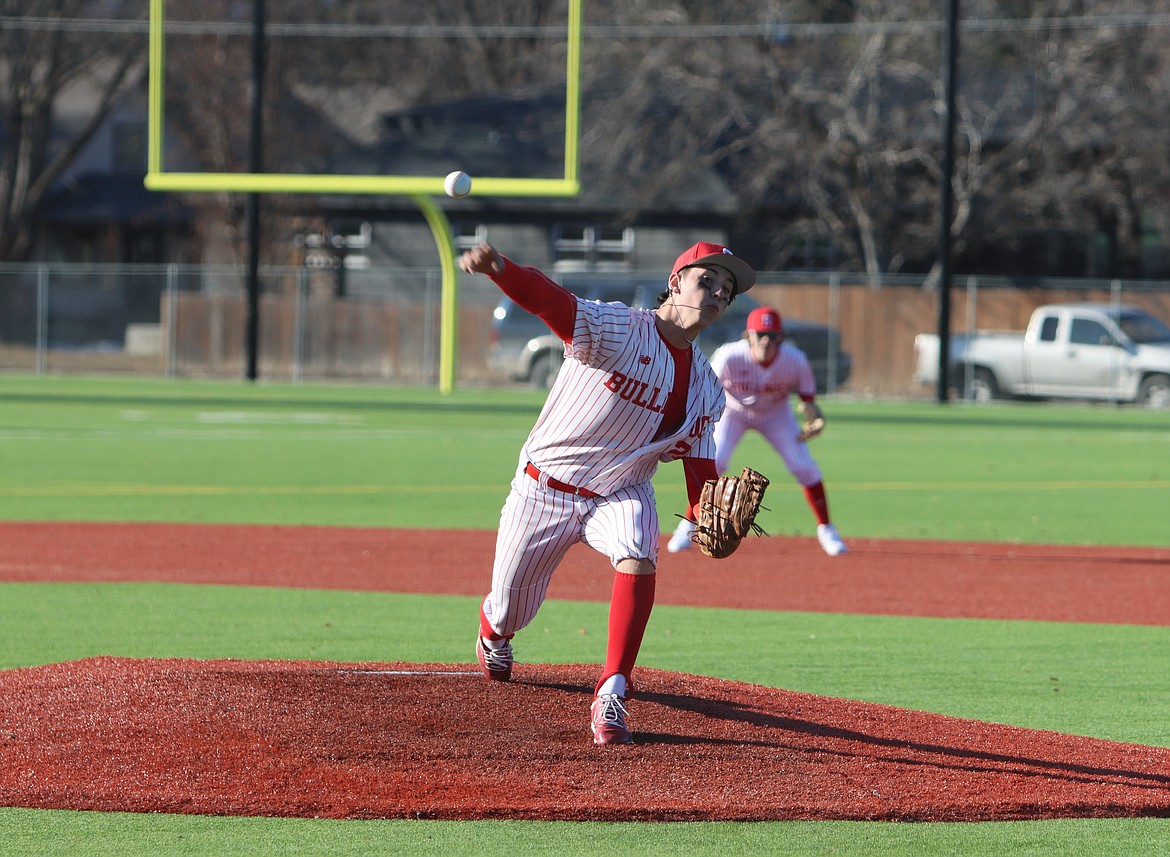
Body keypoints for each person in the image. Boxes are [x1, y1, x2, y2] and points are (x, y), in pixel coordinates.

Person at [459, 240, 756, 745]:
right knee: (512, 608)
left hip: (621, 490)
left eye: (726, 291)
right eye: (707, 281)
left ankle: (613, 689)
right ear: (676, 281)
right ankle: (495, 631)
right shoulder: (620, 328)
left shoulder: (707, 386)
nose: (717, 295)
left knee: (639, 548)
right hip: (544, 489)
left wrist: (705, 513)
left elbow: (700, 472)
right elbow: (551, 302)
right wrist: (500, 270)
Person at [667, 305, 848, 557]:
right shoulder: (729, 355)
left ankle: (826, 529)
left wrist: (815, 418)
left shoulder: (795, 360)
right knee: (715, 462)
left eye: (772, 336)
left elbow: (808, 401)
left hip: (776, 413)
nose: (766, 341)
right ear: (747, 336)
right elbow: (704, 389)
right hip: (733, 410)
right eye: (760, 334)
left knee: (804, 466)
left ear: (781, 338)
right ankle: (686, 525)